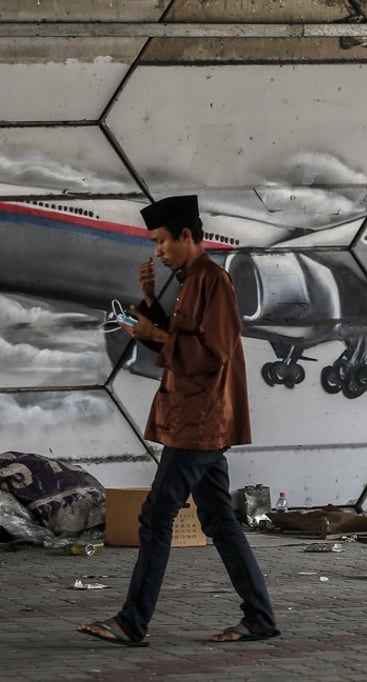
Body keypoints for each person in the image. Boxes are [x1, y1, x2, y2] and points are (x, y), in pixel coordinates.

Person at [79, 194, 279, 647]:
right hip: (194, 419)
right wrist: (150, 304)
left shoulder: (214, 282)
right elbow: (178, 342)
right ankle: (259, 618)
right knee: (219, 521)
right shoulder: (192, 281)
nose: (158, 251)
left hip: (201, 422)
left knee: (156, 516)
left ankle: (133, 622)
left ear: (186, 235)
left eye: (162, 241)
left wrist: (154, 332)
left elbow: (212, 354)